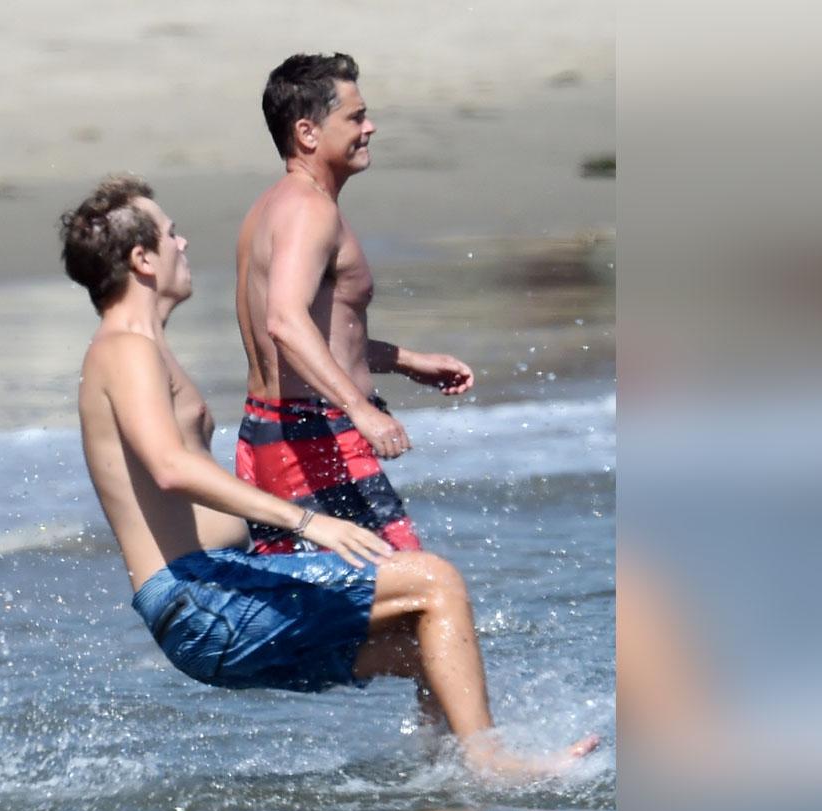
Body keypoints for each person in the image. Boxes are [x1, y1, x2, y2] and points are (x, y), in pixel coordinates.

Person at [62, 174, 596, 779]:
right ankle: (493, 762)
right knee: (436, 580)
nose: (184, 244)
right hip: (199, 601)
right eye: (171, 234)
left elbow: (304, 344)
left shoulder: (143, 347)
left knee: (433, 644)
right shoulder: (125, 350)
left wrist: (400, 360)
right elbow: (169, 466)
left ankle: (440, 785)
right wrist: (309, 522)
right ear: (142, 260)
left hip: (222, 588)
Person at [234, 53, 474, 555]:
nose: (371, 126)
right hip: (313, 436)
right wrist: (361, 409)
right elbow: (284, 321)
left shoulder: (271, 207)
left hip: (271, 433)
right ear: (308, 133)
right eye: (355, 116)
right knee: (420, 589)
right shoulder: (308, 211)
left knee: (335, 615)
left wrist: (407, 361)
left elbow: (319, 333)